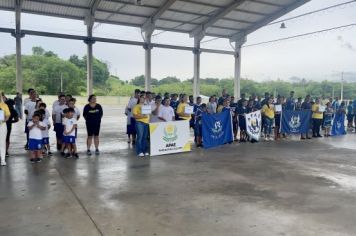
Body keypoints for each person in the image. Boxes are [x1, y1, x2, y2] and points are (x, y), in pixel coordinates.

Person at [0, 93, 11, 166]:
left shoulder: (4, 105)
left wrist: (3, 121)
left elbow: (7, 116)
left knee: (2, 143)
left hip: (2, 125)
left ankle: (3, 160)